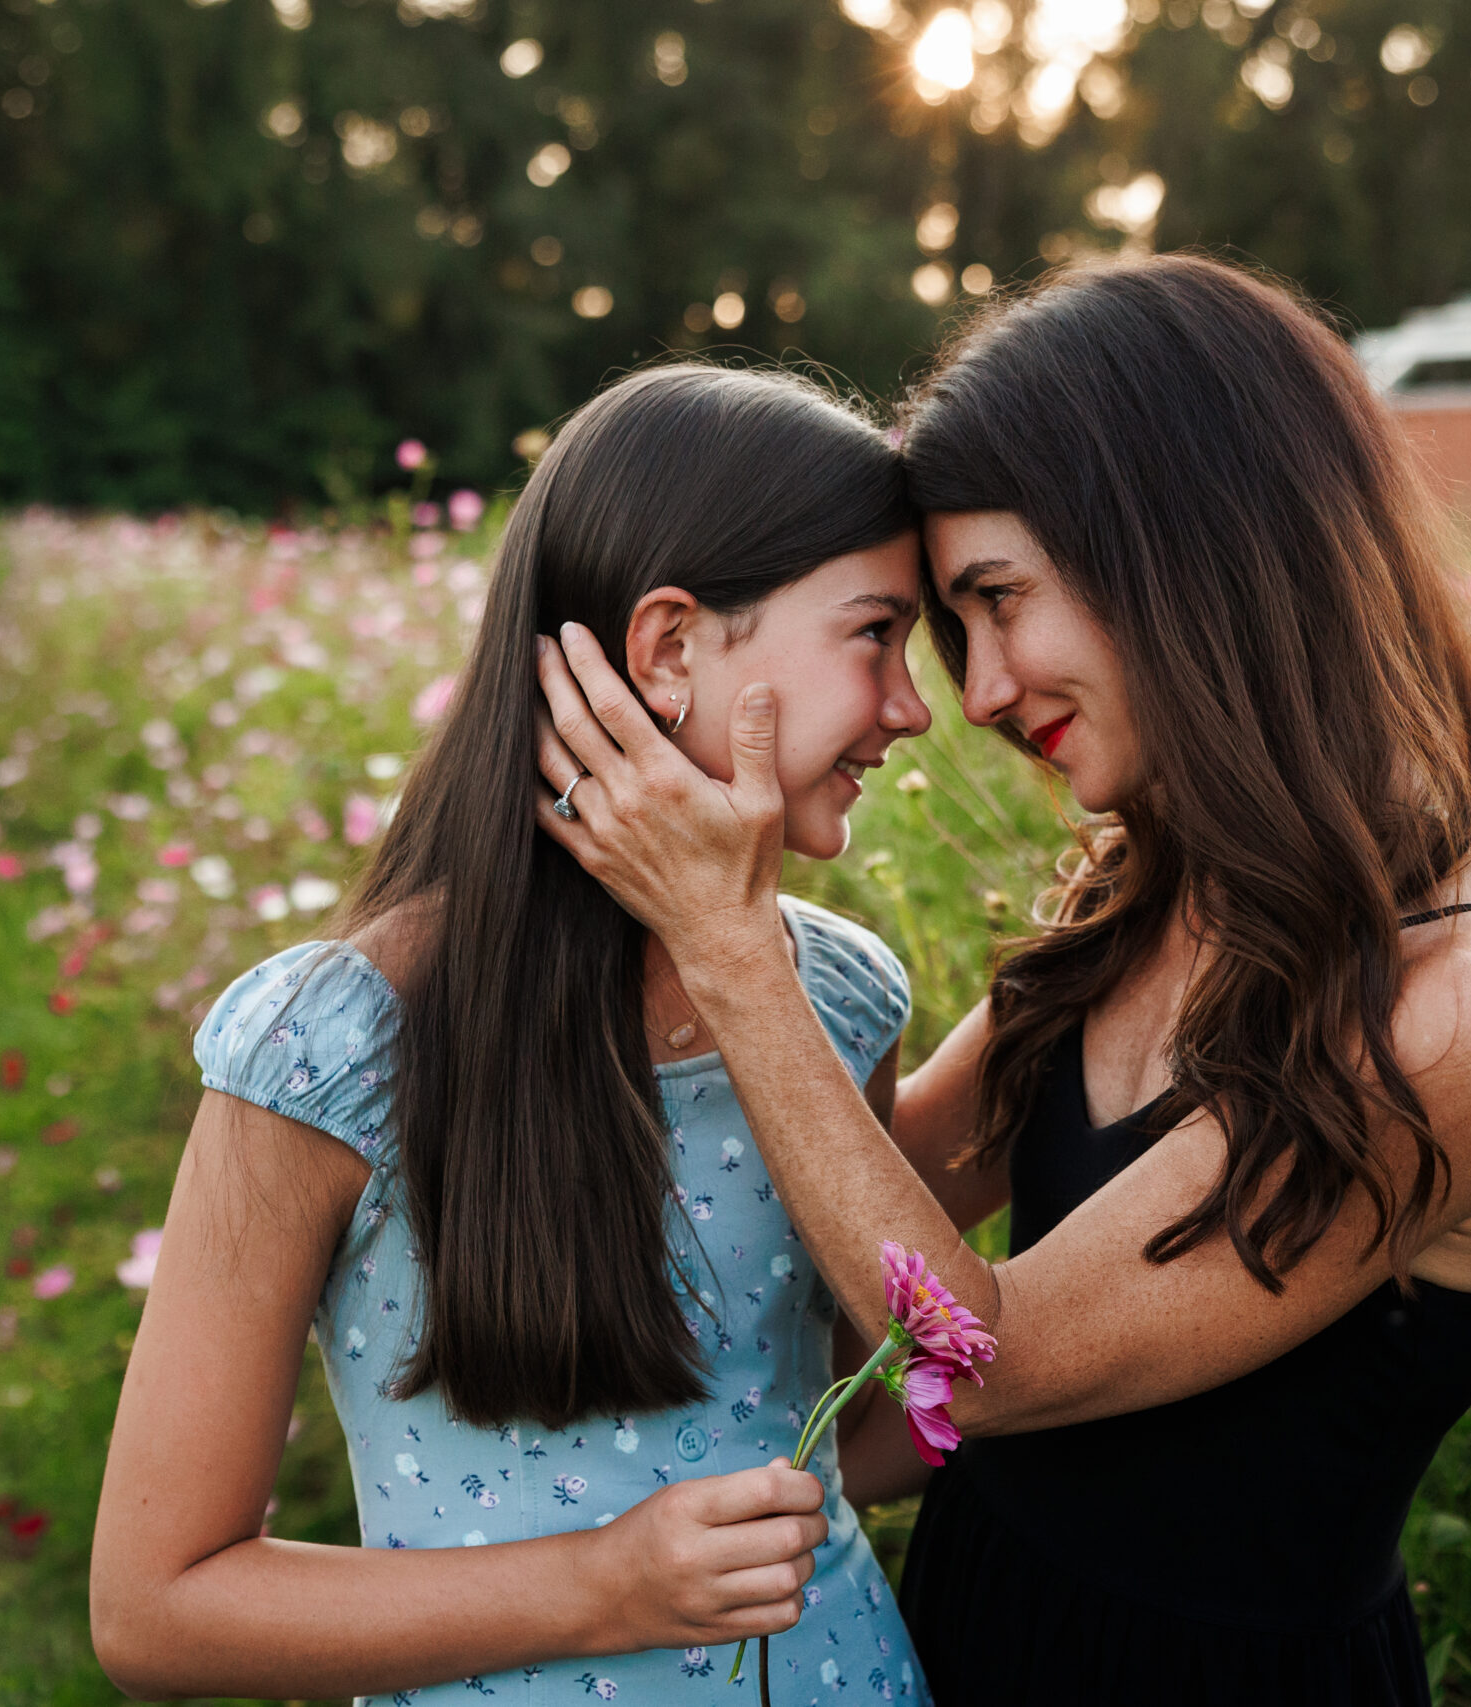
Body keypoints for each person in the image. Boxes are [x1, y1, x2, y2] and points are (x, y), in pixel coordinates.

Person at [529, 254, 1471, 1705]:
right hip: (964, 1639)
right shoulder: (1148, 902)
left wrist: (731, 942)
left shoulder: (1463, 1011)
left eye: (999, 598)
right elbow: (839, 1254)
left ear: (1189, 549)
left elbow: (990, 1357)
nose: (975, 693)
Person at [90, 364, 939, 1703]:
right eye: (876, 635)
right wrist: (603, 1586)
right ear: (669, 648)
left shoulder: (838, 1003)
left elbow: (841, 1431)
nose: (911, 708)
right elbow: (157, 1608)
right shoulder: (333, 1050)